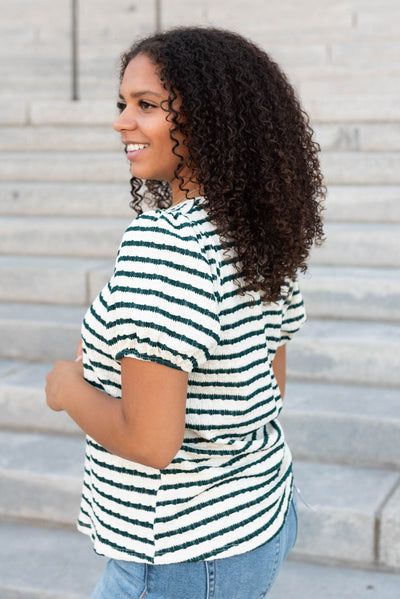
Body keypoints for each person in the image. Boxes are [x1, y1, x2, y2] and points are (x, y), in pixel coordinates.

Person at [45, 26, 324, 599]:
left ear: (213, 120)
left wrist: (67, 386)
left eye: (146, 105)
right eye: (122, 103)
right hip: (258, 516)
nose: (122, 121)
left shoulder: (167, 245)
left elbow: (151, 443)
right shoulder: (260, 227)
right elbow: (267, 380)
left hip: (177, 553)